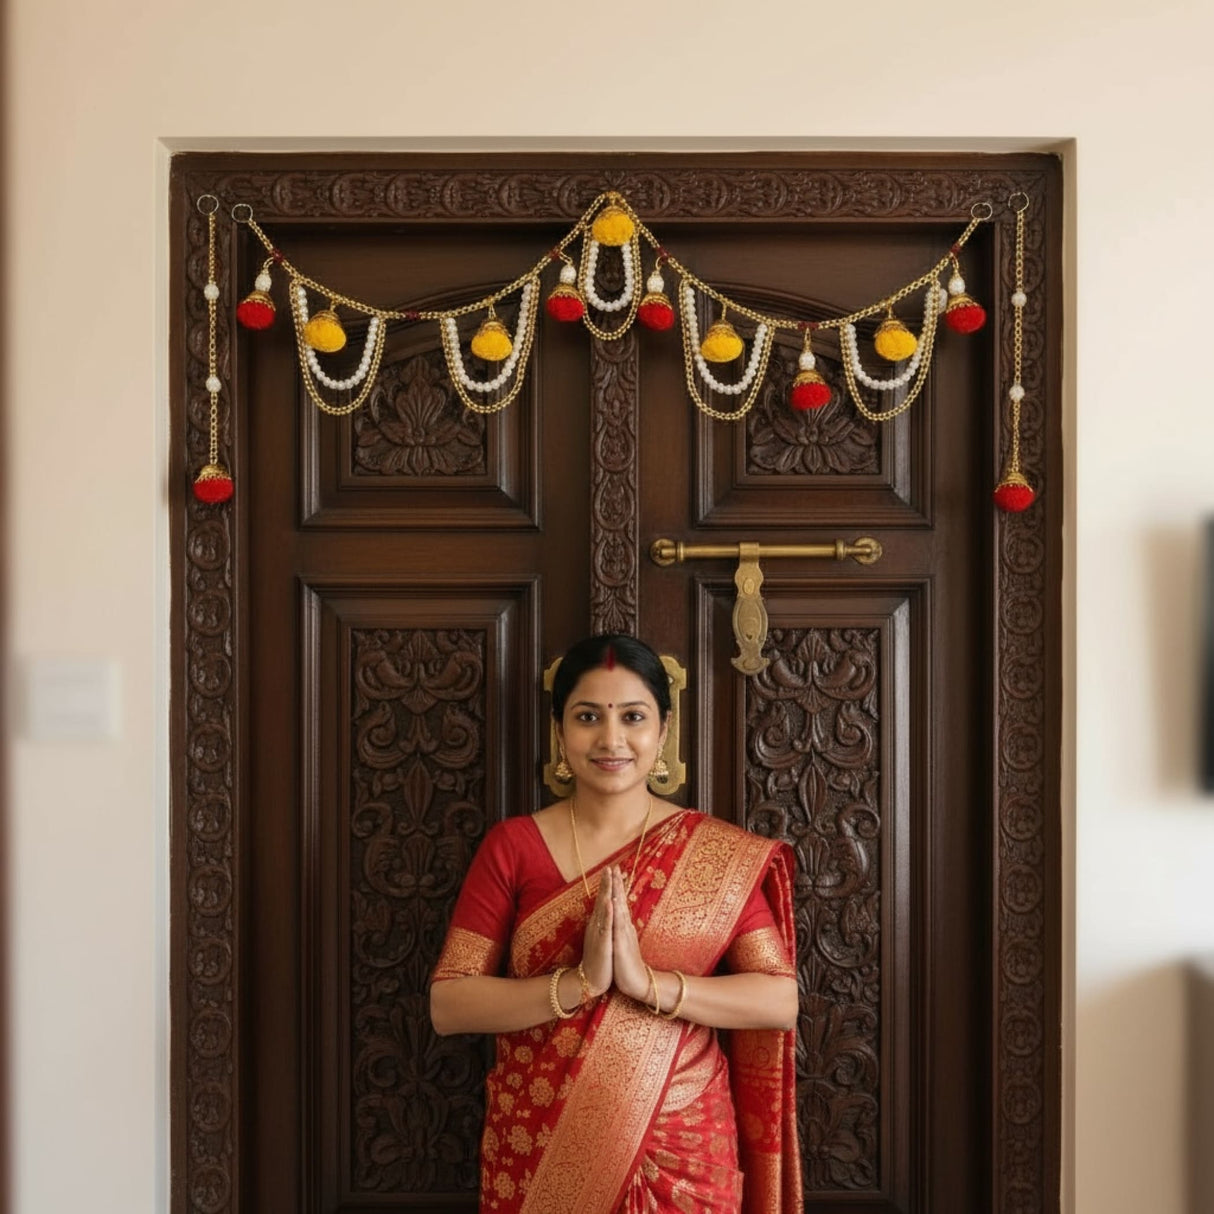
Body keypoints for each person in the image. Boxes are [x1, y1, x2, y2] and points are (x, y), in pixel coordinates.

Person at [430, 634, 801, 1214]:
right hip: (544, 1140)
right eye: (587, 717)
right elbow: (450, 1005)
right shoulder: (514, 847)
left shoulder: (712, 855)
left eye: (633, 716)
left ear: (663, 729)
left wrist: (649, 984)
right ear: (560, 732)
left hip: (684, 1147)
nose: (611, 739)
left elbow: (778, 1000)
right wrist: (579, 984)